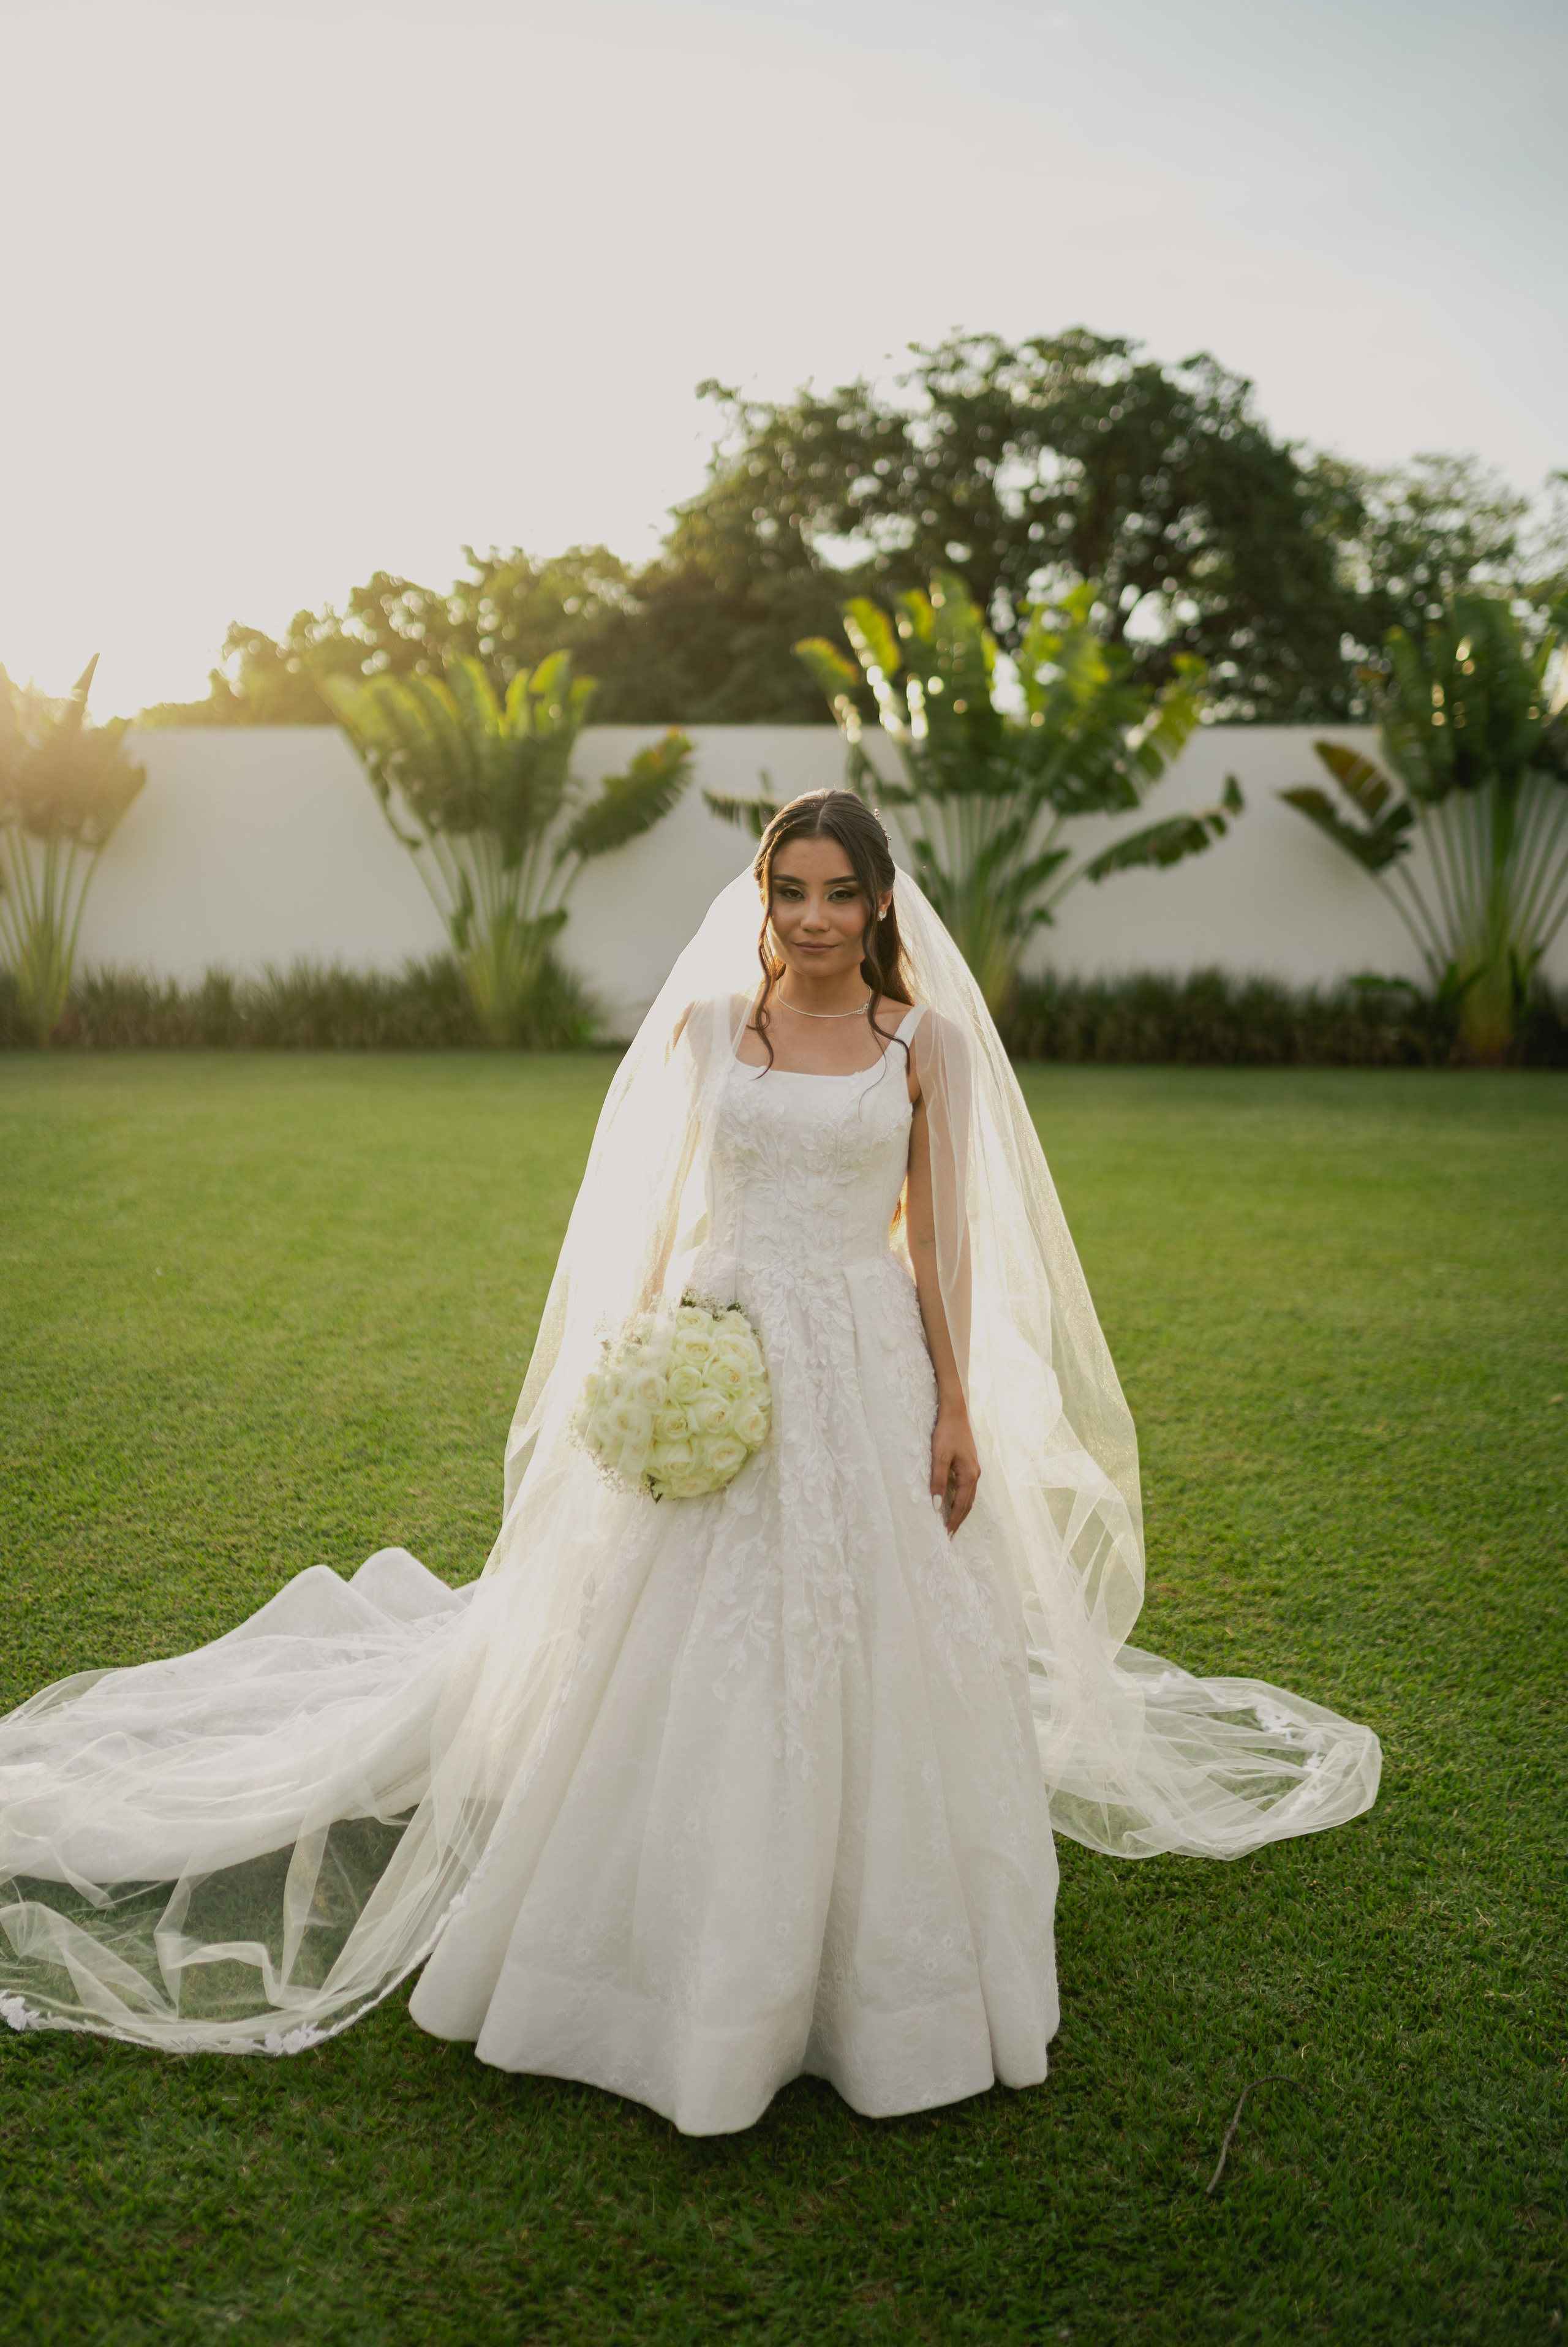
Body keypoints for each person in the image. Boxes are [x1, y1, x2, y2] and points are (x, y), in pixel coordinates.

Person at [0, 791, 1379, 2136]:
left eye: (841, 892)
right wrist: (647, 1365)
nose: (815, 916)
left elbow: (937, 1244)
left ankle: (875, 1972)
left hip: (861, 1353)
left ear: (881, 902)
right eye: (792, 890)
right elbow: (653, 1215)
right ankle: (639, 1942)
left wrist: (956, 1404)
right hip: (720, 1344)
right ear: (763, 897)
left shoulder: (923, 1046)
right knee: (676, 1628)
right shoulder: (714, 1025)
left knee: (872, 1631)